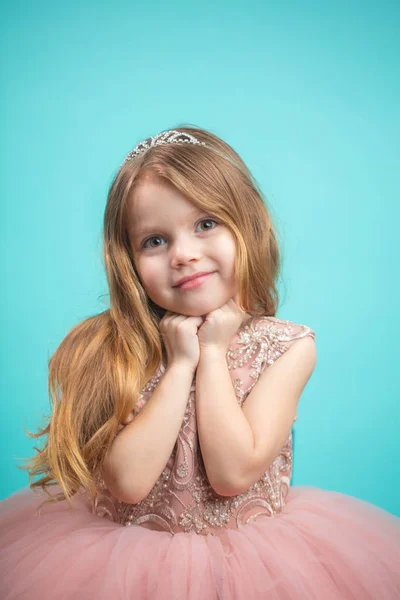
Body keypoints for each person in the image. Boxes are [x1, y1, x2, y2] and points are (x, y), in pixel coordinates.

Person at [0, 126, 399, 600]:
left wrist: (211, 353)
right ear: (127, 259)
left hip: (250, 571)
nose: (184, 254)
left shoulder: (287, 347)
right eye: (154, 240)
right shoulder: (107, 345)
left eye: (206, 224)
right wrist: (179, 363)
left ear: (246, 225)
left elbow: (233, 474)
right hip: (123, 571)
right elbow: (128, 483)